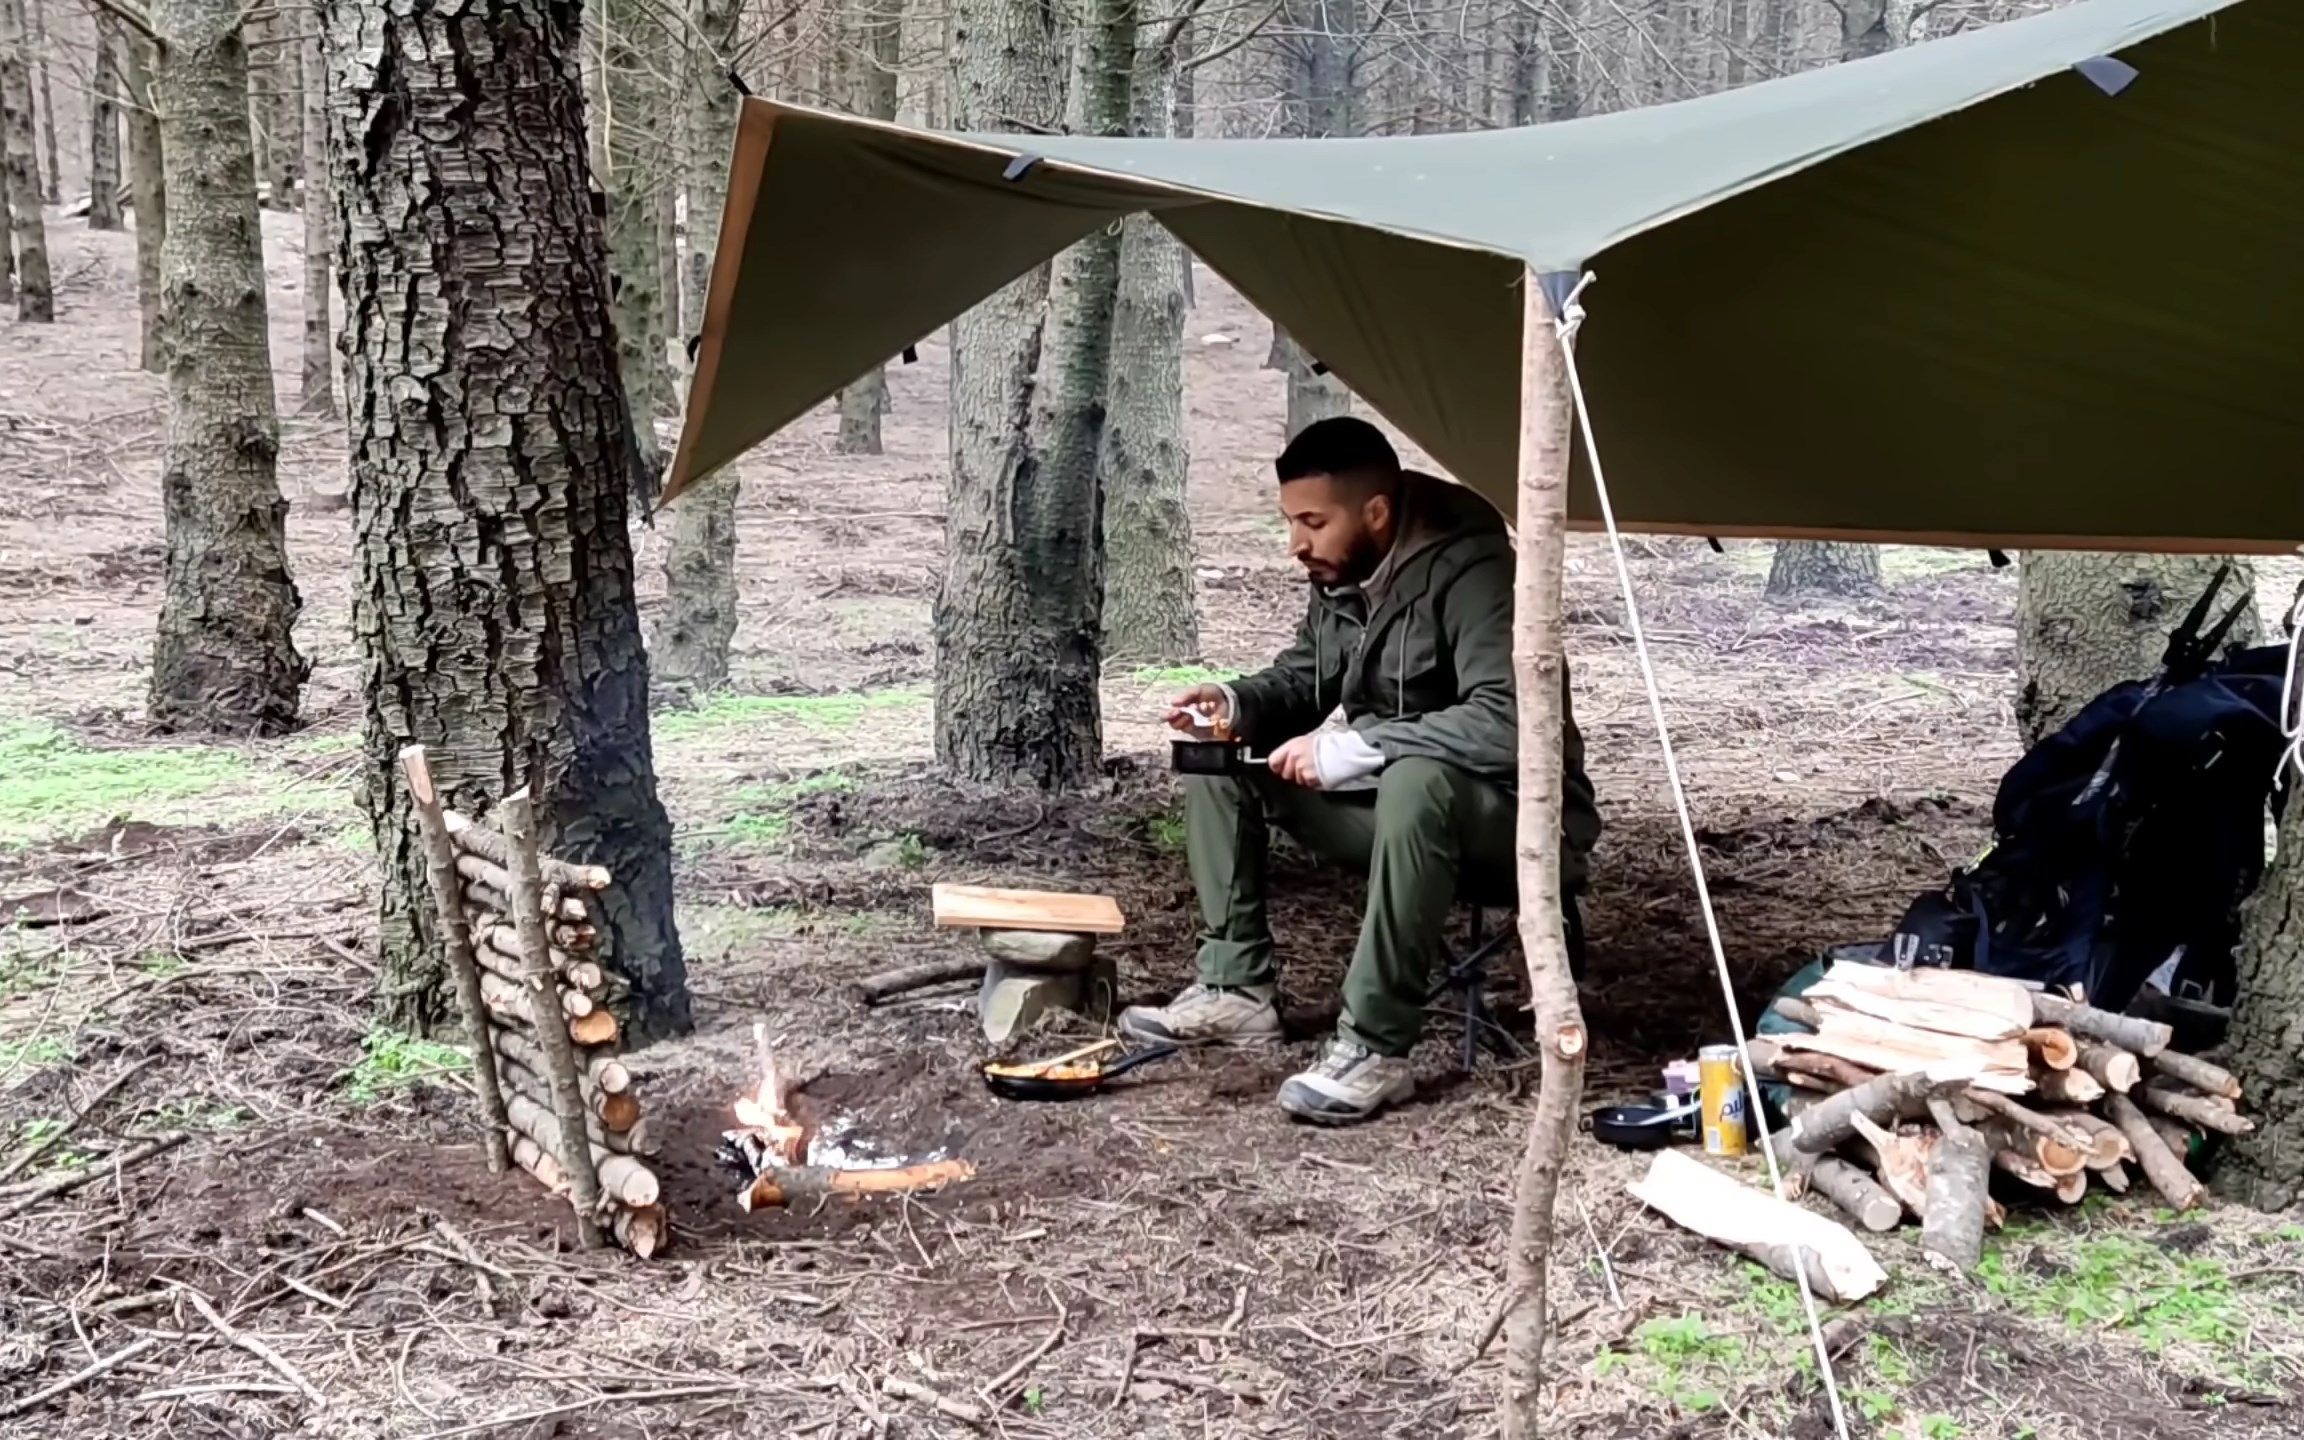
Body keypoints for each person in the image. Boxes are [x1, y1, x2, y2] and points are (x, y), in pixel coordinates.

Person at [1118, 417, 1601, 1124]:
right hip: (1396, 818)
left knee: (1416, 777)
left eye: (1313, 521)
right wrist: (1234, 703)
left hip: (1513, 832)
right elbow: (1307, 678)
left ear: (1375, 512)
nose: (1297, 545)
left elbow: (1511, 725)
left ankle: (1375, 1047)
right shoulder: (1345, 568)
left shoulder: (1479, 574)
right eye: (1290, 522)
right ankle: (1235, 988)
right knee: (1219, 760)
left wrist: (1357, 747)